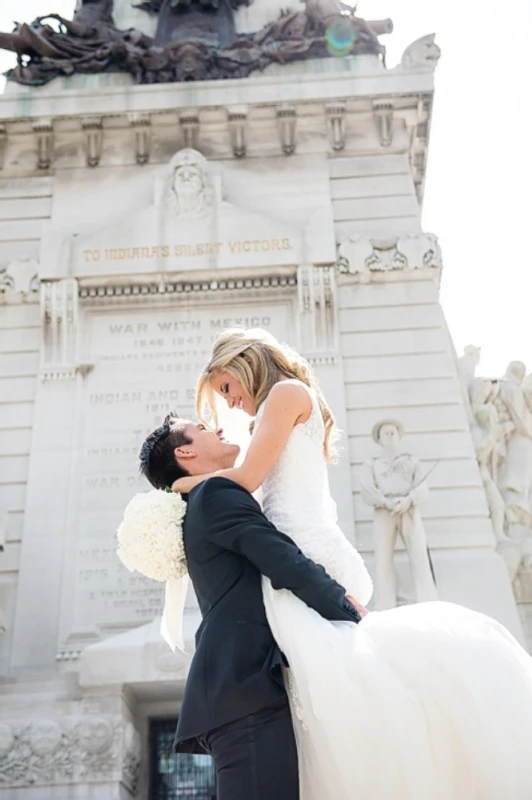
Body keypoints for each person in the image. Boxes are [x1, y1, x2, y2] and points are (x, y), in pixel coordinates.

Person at [172, 327, 532, 800]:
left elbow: (247, 479)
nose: (230, 403)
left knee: (334, 691)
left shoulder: (284, 394)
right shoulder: (275, 405)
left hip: (305, 553)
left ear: (243, 362)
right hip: (292, 550)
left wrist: (179, 486)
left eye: (226, 389)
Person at [139, 415, 362, 800]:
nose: (219, 427)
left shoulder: (203, 497)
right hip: (246, 688)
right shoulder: (213, 496)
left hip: (247, 687)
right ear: (186, 451)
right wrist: (348, 609)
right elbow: (281, 559)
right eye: (204, 428)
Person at [360, 418, 438, 608]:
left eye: (393, 432)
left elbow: (422, 487)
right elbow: (367, 489)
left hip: (408, 509)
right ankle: (386, 603)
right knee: (383, 557)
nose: (389, 435)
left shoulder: (411, 461)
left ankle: (428, 600)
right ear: (379, 438)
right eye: (385, 432)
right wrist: (385, 502)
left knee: (419, 554)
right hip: (383, 511)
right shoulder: (371, 464)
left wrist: (408, 500)